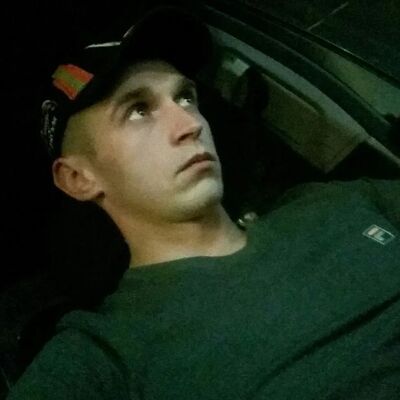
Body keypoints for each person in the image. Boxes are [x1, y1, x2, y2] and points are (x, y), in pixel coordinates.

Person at [7, 5, 400, 400]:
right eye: (138, 110)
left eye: (185, 97)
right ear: (78, 178)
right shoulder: (110, 352)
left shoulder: (329, 202)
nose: (190, 124)